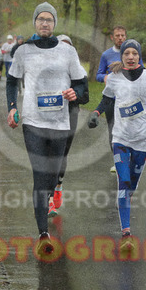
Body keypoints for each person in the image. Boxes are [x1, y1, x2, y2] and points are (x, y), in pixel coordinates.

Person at [6, 2, 88, 256]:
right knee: (40, 175)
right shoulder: (23, 51)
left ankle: (51, 195)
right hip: (33, 122)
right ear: (35, 22)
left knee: (53, 174)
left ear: (54, 24)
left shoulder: (67, 52)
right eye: (40, 19)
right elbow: (11, 81)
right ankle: (43, 234)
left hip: (60, 122)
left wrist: (75, 93)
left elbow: (82, 85)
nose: (44, 23)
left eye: (49, 19)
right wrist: (11, 107)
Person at [88, 39, 146, 250]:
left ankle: (124, 200)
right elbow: (106, 100)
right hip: (121, 138)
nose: (130, 57)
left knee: (131, 184)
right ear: (121, 56)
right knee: (123, 182)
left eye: (134, 53)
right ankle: (126, 233)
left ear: (139, 56)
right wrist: (96, 113)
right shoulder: (114, 78)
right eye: (126, 53)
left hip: (143, 139)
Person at [47, 34, 89, 218]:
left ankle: (58, 185)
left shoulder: (78, 70)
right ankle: (49, 200)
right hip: (48, 115)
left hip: (70, 114)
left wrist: (75, 95)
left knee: (62, 153)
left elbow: (85, 97)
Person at [96, 26, 141, 173]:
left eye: (122, 35)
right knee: (114, 130)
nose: (120, 38)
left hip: (129, 98)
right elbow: (98, 74)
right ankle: (118, 161)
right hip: (112, 99)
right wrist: (105, 77)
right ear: (112, 37)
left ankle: (130, 159)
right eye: (117, 35)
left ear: (126, 36)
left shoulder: (133, 53)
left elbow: (142, 70)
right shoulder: (106, 55)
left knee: (130, 129)